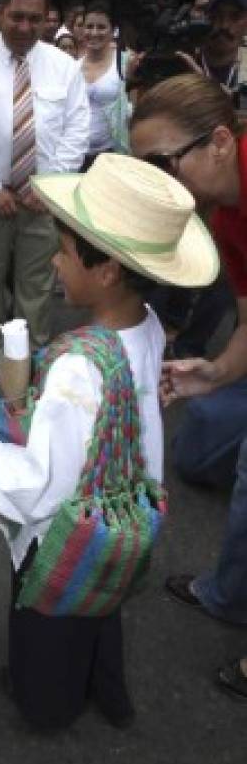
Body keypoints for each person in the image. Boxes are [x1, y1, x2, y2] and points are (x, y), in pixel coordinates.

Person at [0, 153, 218, 730]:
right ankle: (105, 688)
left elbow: (39, 487)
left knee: (46, 622)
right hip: (119, 515)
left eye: (64, 249)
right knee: (98, 606)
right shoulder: (148, 325)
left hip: (62, 534)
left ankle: (46, 705)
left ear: (109, 268)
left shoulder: (77, 365)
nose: (55, 259)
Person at [129, 73, 247, 629]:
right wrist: (218, 371)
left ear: (219, 141)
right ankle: (229, 594)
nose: (157, 185)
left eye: (162, 165)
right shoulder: (224, 214)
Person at [0, 0, 89, 381]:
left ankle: (31, 351)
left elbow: (77, 130)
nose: (25, 27)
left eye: (35, 18)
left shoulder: (65, 67)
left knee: (37, 281)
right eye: (17, 17)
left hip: (44, 197)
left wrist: (44, 185)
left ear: (47, 19)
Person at [80, 0, 122, 169]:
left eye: (101, 27)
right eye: (89, 26)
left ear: (113, 31)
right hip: (77, 154)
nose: (94, 32)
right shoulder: (72, 67)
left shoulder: (124, 63)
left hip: (111, 155)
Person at [199, 0, 247, 105]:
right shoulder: (185, 60)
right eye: (216, 15)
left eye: (235, 17)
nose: (224, 25)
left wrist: (231, 99)